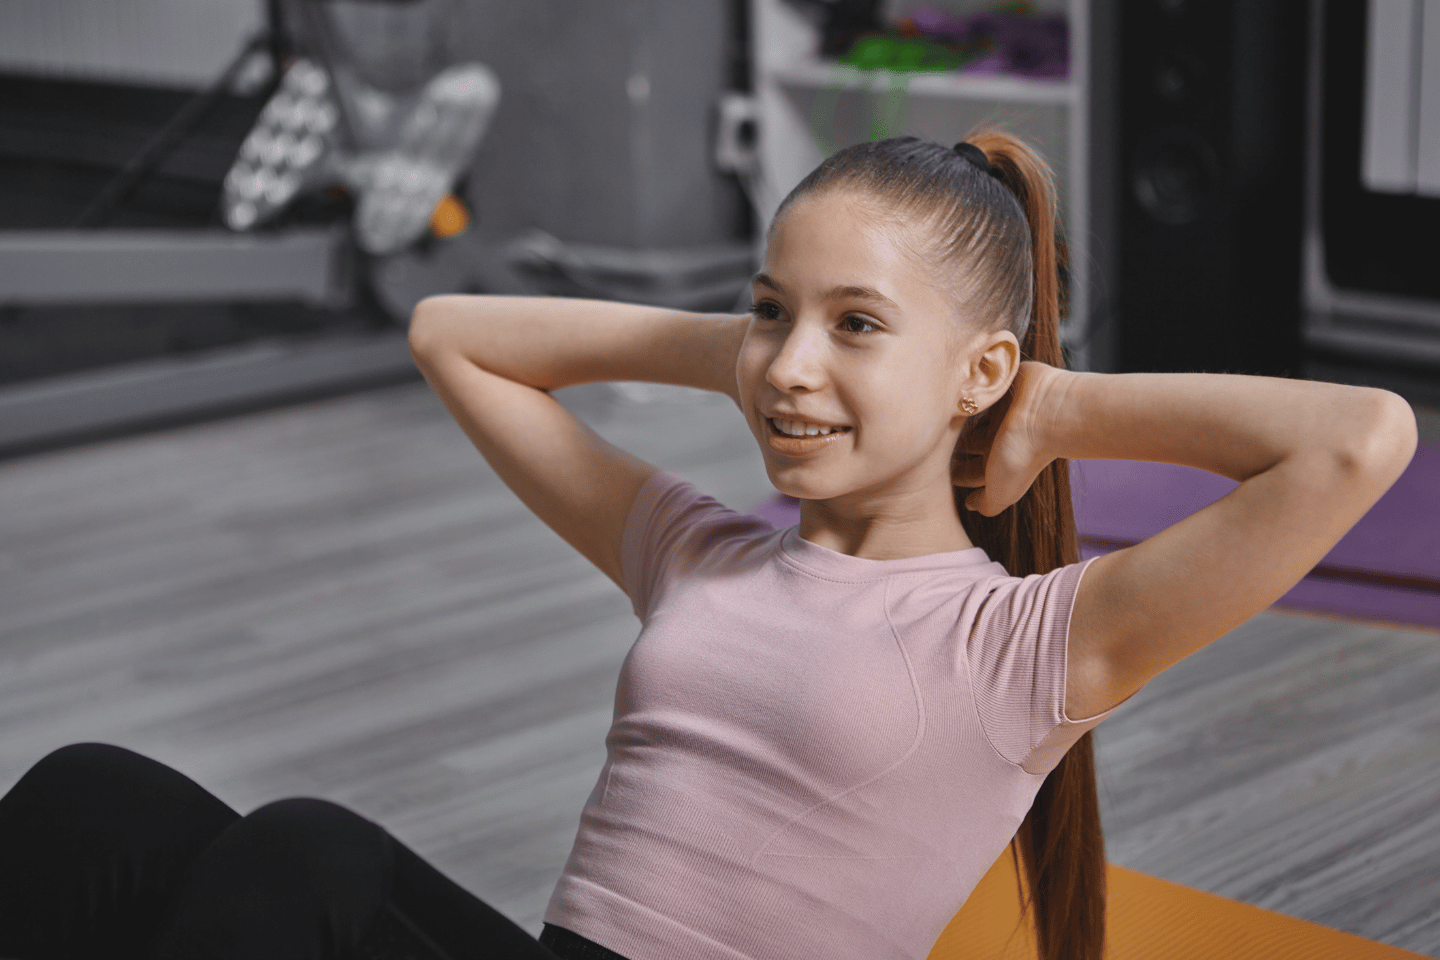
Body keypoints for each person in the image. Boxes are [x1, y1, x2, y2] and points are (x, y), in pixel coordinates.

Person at [0, 133, 1416, 960]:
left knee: (307, 856)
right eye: (770, 310)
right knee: (91, 797)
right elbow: (456, 338)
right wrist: (759, 351)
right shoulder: (699, 550)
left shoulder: (1029, 645)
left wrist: (1052, 401)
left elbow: (1359, 440)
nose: (798, 367)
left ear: (979, 369)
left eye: (858, 324)